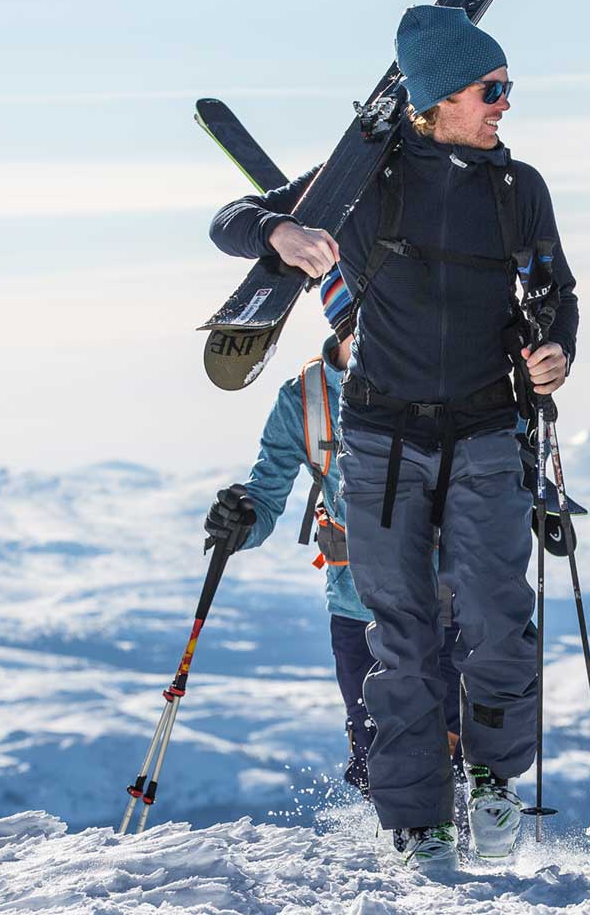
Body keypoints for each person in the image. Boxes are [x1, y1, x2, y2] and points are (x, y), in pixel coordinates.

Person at [330, 4, 576, 869]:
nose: (506, 103)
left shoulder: (519, 190)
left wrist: (555, 353)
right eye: (491, 88)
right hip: (384, 439)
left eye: (506, 86)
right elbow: (238, 220)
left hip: (484, 427)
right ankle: (416, 820)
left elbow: (558, 295)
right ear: (436, 100)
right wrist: (277, 231)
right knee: (399, 633)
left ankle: (495, 783)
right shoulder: (369, 187)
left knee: (500, 616)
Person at [202, 271, 464, 796]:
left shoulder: (437, 380)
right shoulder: (305, 398)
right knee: (374, 751)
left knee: (449, 749)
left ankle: (463, 862)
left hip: (441, 599)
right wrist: (242, 519)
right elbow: (268, 489)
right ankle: (403, 860)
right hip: (356, 605)